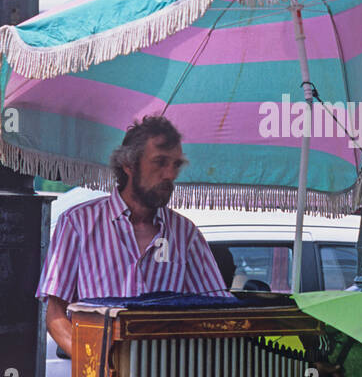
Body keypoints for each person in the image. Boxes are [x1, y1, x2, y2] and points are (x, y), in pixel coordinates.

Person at [38, 114, 230, 354]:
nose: (169, 174)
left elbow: (218, 312)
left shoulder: (185, 234)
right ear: (129, 165)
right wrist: (96, 365)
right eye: (160, 162)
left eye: (175, 165)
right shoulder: (78, 224)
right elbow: (55, 316)